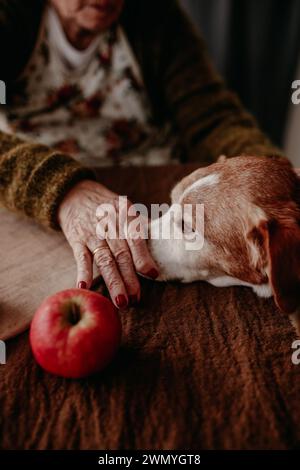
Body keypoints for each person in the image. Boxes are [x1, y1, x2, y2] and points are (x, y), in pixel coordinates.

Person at [0, 0, 283, 308]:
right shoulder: (9, 18)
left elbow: (213, 118)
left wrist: (275, 187)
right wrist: (63, 190)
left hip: (164, 184)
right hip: (49, 197)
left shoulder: (156, 14)